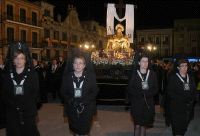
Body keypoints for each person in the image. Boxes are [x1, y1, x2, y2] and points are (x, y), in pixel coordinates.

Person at [1, 43, 40, 136]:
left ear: (26, 60)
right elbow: (4, 94)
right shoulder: (7, 75)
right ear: (13, 60)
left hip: (28, 112)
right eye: (16, 58)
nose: (19, 61)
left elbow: (35, 94)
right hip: (12, 113)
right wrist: (14, 105)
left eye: (22, 58)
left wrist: (25, 105)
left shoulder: (32, 75)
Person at [60, 53, 99, 136]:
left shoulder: (90, 76)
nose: (78, 65)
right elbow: (63, 92)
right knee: (75, 130)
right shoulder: (67, 77)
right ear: (73, 65)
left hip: (87, 107)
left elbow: (95, 91)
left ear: (84, 65)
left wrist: (84, 102)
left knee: (84, 130)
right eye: (76, 63)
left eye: (80, 63)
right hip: (72, 107)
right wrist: (70, 101)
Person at [127, 54, 158, 136]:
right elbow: (130, 89)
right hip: (137, 103)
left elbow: (156, 88)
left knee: (144, 125)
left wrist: (148, 94)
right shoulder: (134, 74)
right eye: (143, 61)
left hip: (148, 103)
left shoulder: (152, 74)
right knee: (137, 125)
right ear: (139, 63)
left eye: (147, 61)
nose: (145, 63)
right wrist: (140, 94)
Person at [166, 58, 196, 136]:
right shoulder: (173, 78)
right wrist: (181, 99)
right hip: (176, 108)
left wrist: (191, 99)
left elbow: (193, 91)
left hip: (187, 108)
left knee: (183, 128)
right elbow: (170, 92)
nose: (184, 68)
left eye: (186, 66)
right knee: (177, 129)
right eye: (182, 66)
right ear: (178, 67)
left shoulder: (191, 78)